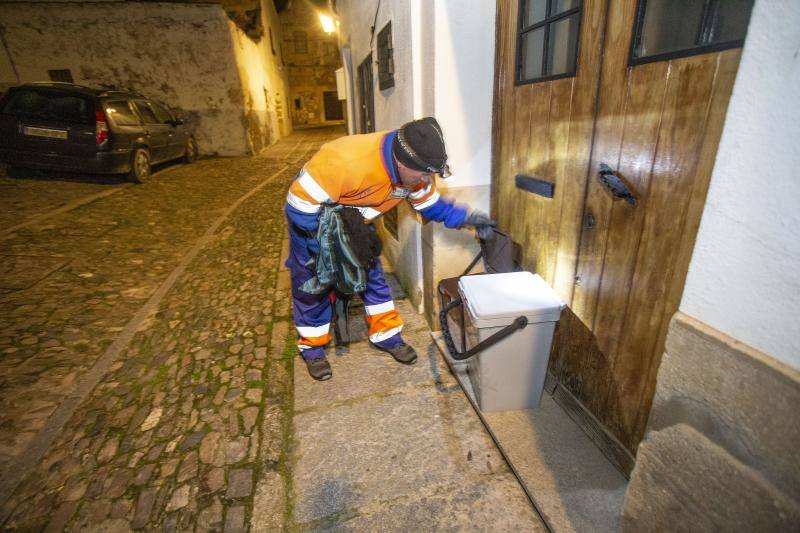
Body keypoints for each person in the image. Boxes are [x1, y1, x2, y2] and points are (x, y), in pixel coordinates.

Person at [284, 117, 495, 380]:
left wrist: (468, 219)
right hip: (312, 223)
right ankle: (313, 348)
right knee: (313, 286)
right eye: (422, 174)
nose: (425, 180)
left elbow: (430, 205)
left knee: (373, 279)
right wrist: (329, 253)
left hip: (356, 224)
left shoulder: (416, 173)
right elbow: (297, 207)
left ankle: (386, 335)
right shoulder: (343, 161)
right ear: (401, 162)